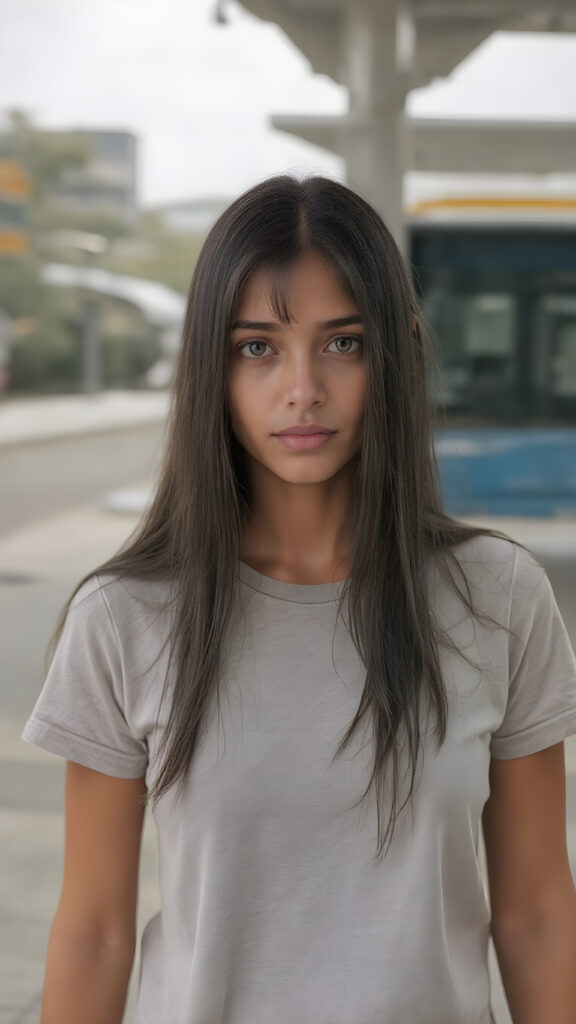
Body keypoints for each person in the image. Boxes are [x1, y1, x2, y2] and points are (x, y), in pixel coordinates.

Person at [23, 175, 576, 1024]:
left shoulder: (500, 598)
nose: (303, 389)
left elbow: (537, 912)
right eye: (258, 347)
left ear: (397, 352)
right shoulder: (124, 617)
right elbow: (97, 930)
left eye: (343, 343)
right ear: (210, 366)